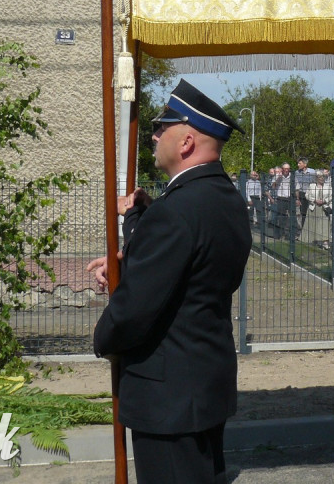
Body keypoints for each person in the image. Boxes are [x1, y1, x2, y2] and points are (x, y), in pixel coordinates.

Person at [89, 79, 251, 484]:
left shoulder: (176, 211)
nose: (154, 134)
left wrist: (103, 340)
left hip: (168, 398)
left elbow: (135, 311)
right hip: (203, 383)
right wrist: (138, 222)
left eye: (164, 127)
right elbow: (186, 269)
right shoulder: (225, 198)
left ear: (186, 142)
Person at [304, 171, 332, 250]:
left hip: (324, 207)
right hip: (313, 207)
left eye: (323, 177)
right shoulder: (311, 186)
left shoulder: (328, 186)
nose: (322, 179)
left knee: (325, 224)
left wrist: (324, 201)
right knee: (313, 223)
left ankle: (325, 242)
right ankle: (313, 240)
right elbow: (307, 195)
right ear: (316, 178)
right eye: (320, 177)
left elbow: (331, 196)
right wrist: (314, 200)